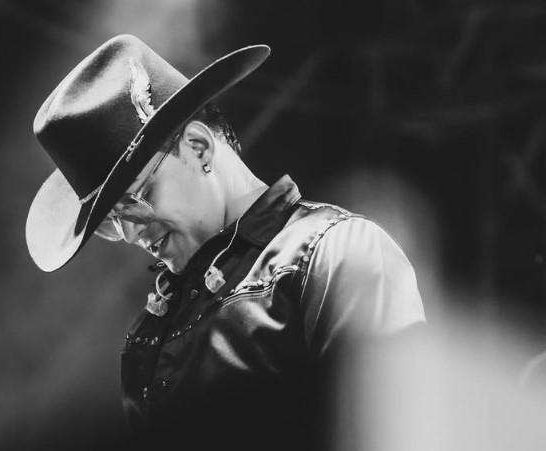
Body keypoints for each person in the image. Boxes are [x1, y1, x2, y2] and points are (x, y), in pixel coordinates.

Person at [26, 34, 426, 450]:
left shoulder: (336, 252)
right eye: (111, 223)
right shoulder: (149, 336)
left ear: (199, 147)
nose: (131, 233)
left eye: (136, 200)